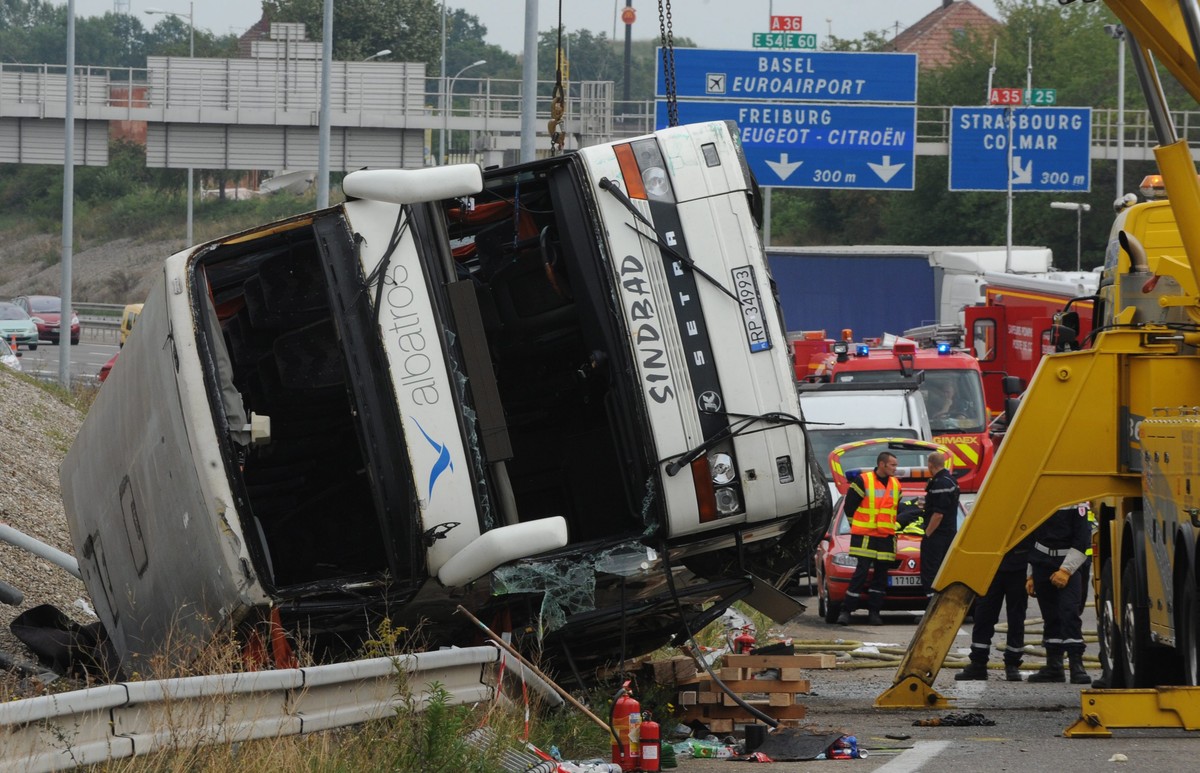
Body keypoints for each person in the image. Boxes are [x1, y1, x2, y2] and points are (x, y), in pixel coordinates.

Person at [1026, 503, 1093, 684]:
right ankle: (1054, 666)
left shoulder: (1078, 503)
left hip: (1070, 565)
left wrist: (1066, 570)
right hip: (1041, 563)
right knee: (1050, 616)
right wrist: (1030, 575)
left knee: (1069, 612)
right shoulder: (1039, 500)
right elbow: (1030, 536)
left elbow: (1082, 540)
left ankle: (1076, 666)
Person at [955, 534, 1034, 682]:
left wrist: (1032, 573)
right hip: (991, 567)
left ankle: (1012, 664)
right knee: (983, 616)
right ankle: (978, 663)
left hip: (1019, 567)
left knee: (1016, 618)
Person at [837, 451, 901, 627]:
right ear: (882, 464)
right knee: (861, 573)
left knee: (880, 577)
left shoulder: (896, 484)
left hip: (886, 537)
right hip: (865, 536)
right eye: (893, 465)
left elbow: (895, 509)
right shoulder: (863, 480)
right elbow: (850, 508)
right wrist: (857, 528)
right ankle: (846, 611)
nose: (896, 468)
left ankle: (874, 613)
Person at [919, 451, 960, 601]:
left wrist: (927, 534)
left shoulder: (940, 483)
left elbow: (938, 514)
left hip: (937, 535)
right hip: (949, 533)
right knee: (942, 572)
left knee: (930, 572)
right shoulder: (951, 480)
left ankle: (932, 606)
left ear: (930, 465)